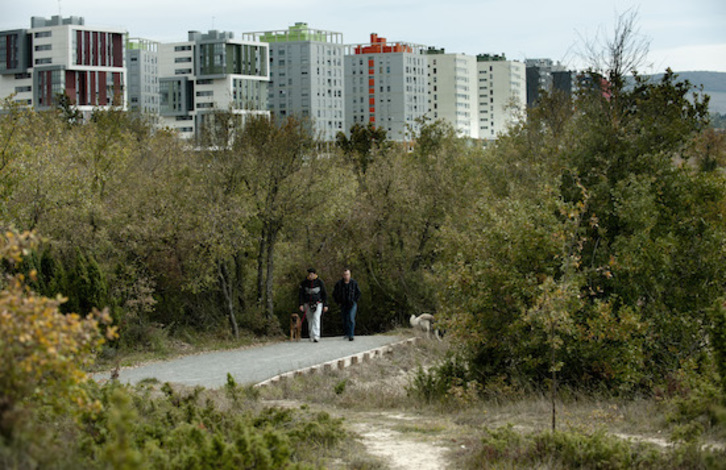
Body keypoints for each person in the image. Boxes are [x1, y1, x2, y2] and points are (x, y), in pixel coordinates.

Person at [298, 267, 328, 342]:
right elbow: (301, 294)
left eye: (312, 274)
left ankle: (316, 335)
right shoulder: (304, 283)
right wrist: (301, 304)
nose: (310, 276)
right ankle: (311, 335)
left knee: (316, 318)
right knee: (310, 319)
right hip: (307, 303)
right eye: (309, 274)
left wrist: (325, 305)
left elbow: (324, 294)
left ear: (314, 274)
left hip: (318, 303)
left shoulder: (320, 282)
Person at [333, 268, 362, 341]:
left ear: (350, 275)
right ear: (343, 275)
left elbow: (358, 293)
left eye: (348, 274)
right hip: (343, 303)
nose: (346, 276)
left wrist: (355, 300)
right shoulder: (339, 284)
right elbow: (334, 294)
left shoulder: (354, 283)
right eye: (345, 274)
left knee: (351, 318)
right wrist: (338, 301)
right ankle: (347, 333)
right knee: (345, 318)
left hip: (352, 303)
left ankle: (351, 334)